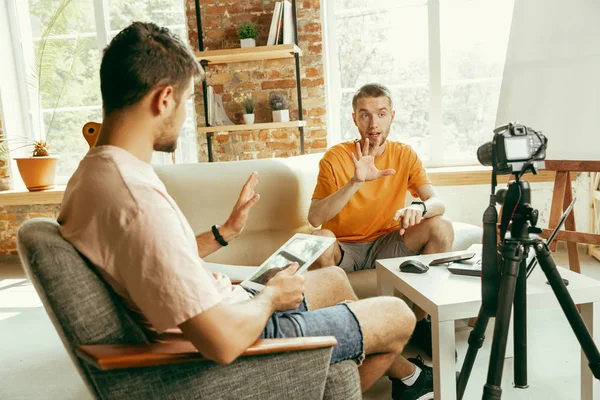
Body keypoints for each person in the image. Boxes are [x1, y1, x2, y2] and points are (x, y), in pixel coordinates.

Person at [56, 23, 434, 399]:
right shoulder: (135, 196)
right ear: (164, 99)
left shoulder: (96, 173)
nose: (186, 114)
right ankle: (385, 373)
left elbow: (152, 257)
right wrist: (270, 298)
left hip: (231, 307)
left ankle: (389, 371)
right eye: (188, 100)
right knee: (395, 316)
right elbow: (221, 343)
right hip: (239, 335)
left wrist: (225, 233)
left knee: (333, 280)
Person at [308, 83, 455, 357]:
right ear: (354, 118)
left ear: (392, 116)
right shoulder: (336, 158)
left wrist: (421, 209)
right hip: (345, 248)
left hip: (388, 243)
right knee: (320, 241)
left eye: (381, 113)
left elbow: (438, 202)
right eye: (364, 114)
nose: (373, 123)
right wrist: (354, 182)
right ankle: (349, 332)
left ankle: (421, 322)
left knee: (441, 226)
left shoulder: (404, 154)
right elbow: (314, 218)